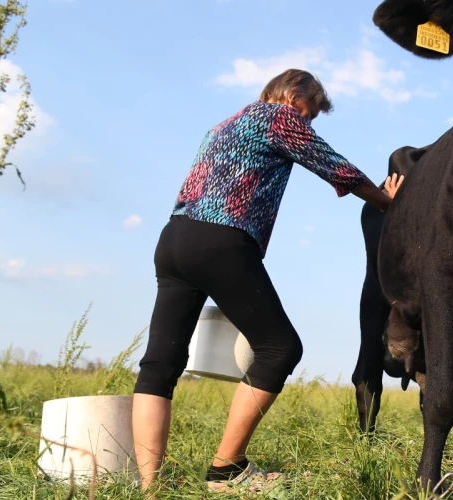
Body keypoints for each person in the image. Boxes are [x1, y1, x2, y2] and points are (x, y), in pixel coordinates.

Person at [131, 68, 404, 494]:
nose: (308, 124)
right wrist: (386, 199)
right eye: (309, 114)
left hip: (173, 239)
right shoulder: (278, 117)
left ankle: (148, 486)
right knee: (280, 349)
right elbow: (335, 166)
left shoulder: (224, 124)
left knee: (160, 364)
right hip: (220, 240)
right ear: (295, 96)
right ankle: (226, 469)